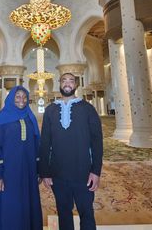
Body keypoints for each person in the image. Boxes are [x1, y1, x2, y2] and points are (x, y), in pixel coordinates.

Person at [39, 73, 103, 230]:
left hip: (83, 174)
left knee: (86, 213)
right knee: (64, 214)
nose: (67, 83)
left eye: (71, 81)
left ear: (75, 85)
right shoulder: (50, 110)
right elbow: (45, 143)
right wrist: (45, 173)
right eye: (64, 80)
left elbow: (97, 142)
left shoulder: (88, 109)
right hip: (58, 174)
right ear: (59, 84)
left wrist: (96, 171)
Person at [0, 85, 43, 230]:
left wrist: (39, 170)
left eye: (25, 97)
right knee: (11, 204)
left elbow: (37, 145)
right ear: (12, 98)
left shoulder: (29, 117)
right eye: (18, 97)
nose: (22, 100)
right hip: (9, 172)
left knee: (28, 201)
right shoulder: (3, 118)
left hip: (29, 169)